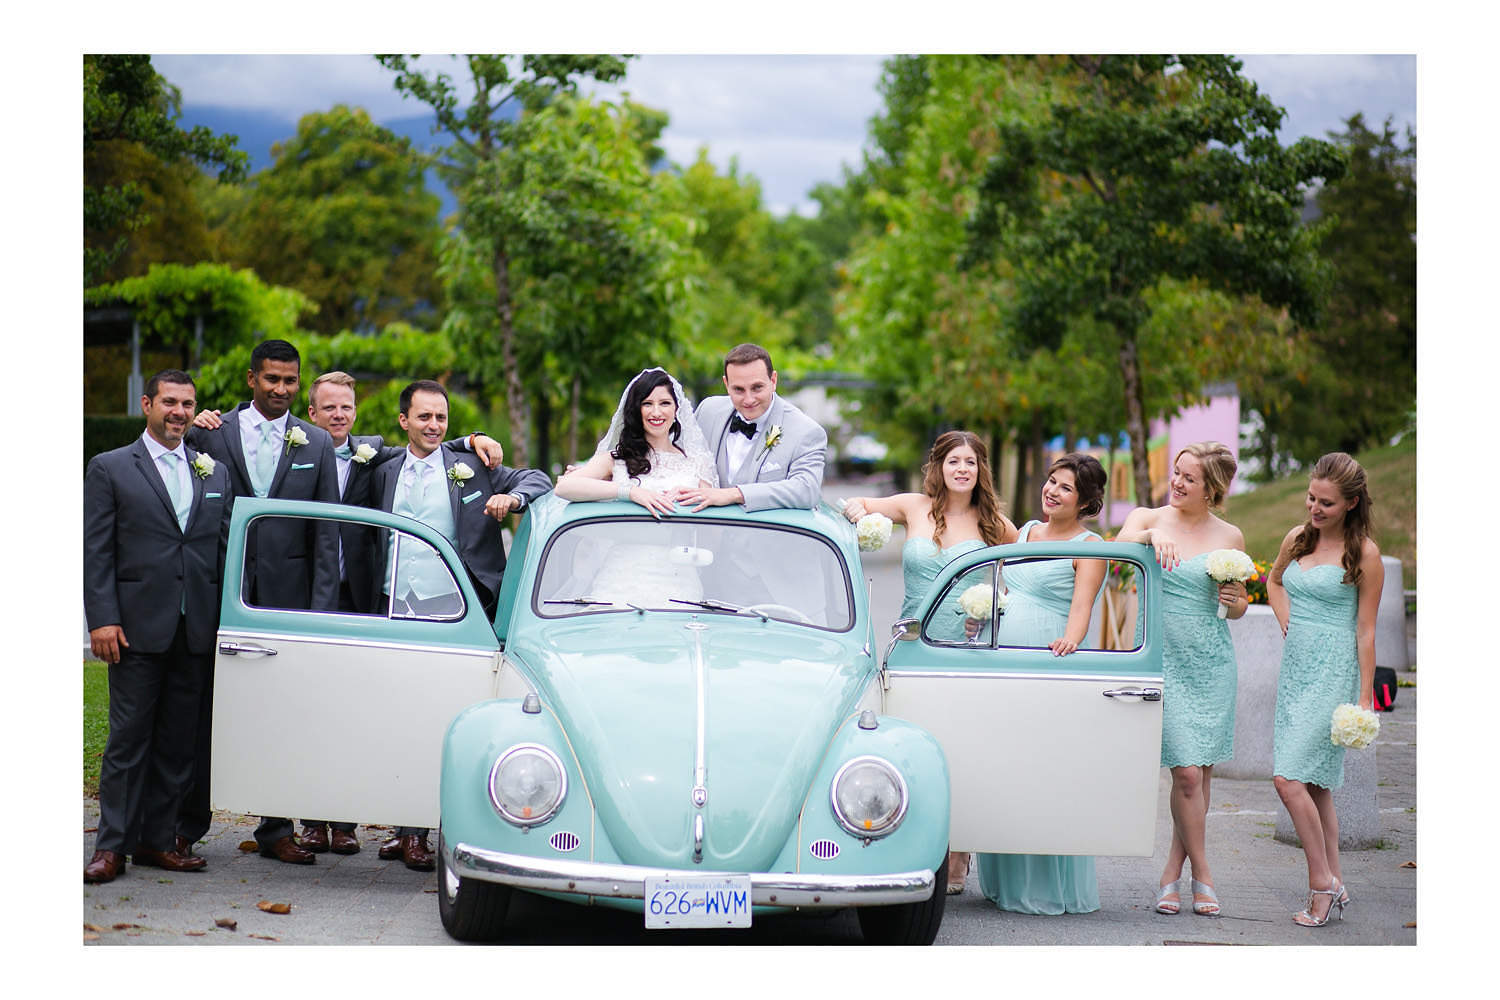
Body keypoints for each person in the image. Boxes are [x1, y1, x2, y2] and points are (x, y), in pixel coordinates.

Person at [189, 369, 506, 858]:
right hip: (303, 594)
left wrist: (473, 437)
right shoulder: (296, 447)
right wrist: (204, 420)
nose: (339, 416)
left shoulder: (373, 457)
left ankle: (350, 824)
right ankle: (309, 821)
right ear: (311, 414)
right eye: (329, 408)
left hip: (362, 596)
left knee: (367, 710)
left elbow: (428, 440)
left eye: (347, 408)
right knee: (314, 710)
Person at [369, 379, 553, 870]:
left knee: (438, 717)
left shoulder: (471, 467)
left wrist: (510, 501)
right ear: (403, 420)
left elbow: (538, 480)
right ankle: (401, 824)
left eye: (441, 418)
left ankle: (425, 832)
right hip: (391, 604)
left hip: (451, 607)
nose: (433, 426)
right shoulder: (384, 466)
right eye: (424, 417)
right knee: (395, 715)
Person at [180, 338, 339, 866]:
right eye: (271, 379)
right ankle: (187, 824)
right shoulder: (212, 433)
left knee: (282, 713)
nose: (281, 389)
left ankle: (277, 827)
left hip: (288, 600)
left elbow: (327, 531)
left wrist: (318, 610)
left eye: (290, 381)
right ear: (252, 379)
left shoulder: (315, 443)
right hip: (219, 594)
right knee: (206, 708)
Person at [841, 430, 1018, 894]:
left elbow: (1022, 575)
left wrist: (992, 606)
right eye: (954, 461)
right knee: (909, 746)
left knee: (964, 747)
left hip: (968, 650)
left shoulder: (994, 523)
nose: (963, 469)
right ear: (938, 466)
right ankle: (902, 839)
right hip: (912, 644)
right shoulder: (913, 507)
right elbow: (856, 504)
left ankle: (959, 850)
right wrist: (860, 511)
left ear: (981, 471)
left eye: (972, 463)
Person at [84, 370, 234, 883]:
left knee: (177, 742)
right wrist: (102, 618)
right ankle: (111, 846)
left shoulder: (211, 470)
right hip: (135, 628)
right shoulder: (109, 468)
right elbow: (97, 550)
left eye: (187, 404)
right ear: (148, 404)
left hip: (195, 627)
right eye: (169, 402)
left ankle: (159, 838)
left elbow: (216, 548)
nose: (179, 412)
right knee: (128, 740)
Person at [1115, 442, 1249, 917]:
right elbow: (1118, 551)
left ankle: (1172, 874)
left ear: (1211, 490)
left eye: (1189, 479)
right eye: (1176, 473)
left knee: (1198, 776)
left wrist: (1235, 598)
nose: (1177, 482)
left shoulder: (1230, 535)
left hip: (1211, 661)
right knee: (1187, 774)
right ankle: (1205, 875)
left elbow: (1236, 610)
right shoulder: (1146, 517)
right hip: (1163, 658)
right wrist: (1151, 536)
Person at [976, 453, 1109, 914]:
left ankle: (1047, 886)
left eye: (1065, 488)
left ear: (1087, 500)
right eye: (1051, 482)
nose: (1051, 491)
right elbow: (1006, 589)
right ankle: (1004, 881)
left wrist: (1069, 644)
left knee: (1044, 770)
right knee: (1007, 766)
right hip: (1002, 665)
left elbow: (1081, 611)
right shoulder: (1027, 532)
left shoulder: (1090, 546)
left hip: (1048, 668)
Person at [1265, 452, 1382, 927]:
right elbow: (1273, 582)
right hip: (1295, 671)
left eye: (1326, 503)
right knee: (1315, 785)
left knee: (1287, 779)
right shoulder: (1297, 538)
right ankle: (1338, 877)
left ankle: (1322, 884)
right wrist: (1288, 621)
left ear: (1351, 503)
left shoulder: (1365, 554)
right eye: (1311, 497)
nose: (1314, 508)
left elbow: (1367, 631)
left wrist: (1365, 697)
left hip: (1334, 671)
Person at [554, 368, 718, 604]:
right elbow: (564, 488)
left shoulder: (698, 463)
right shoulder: (616, 459)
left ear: (676, 409)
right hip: (621, 575)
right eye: (647, 403)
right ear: (636, 409)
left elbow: (710, 526)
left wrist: (693, 497)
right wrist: (629, 492)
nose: (656, 412)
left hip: (679, 576)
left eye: (664, 403)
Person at [684, 343, 828, 511]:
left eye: (757, 388)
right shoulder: (707, 411)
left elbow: (806, 491)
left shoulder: (806, 431)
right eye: (738, 389)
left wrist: (735, 494)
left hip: (764, 536)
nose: (749, 399)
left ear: (773, 380)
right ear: (726, 384)